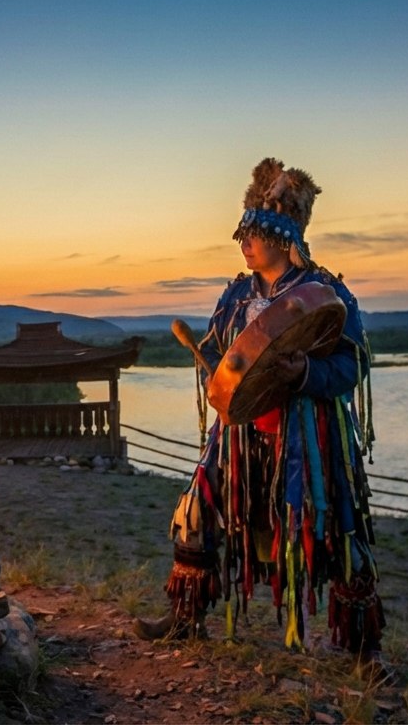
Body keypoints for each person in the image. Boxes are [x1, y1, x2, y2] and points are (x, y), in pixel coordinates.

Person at [135, 157, 386, 668]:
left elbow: (352, 361)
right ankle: (185, 618)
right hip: (239, 434)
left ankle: (363, 648)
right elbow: (220, 354)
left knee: (338, 529)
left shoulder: (326, 293)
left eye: (254, 232)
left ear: (284, 235)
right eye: (243, 232)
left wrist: (305, 376)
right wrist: (215, 375)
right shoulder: (236, 294)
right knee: (196, 511)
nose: (243, 242)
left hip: (308, 439)